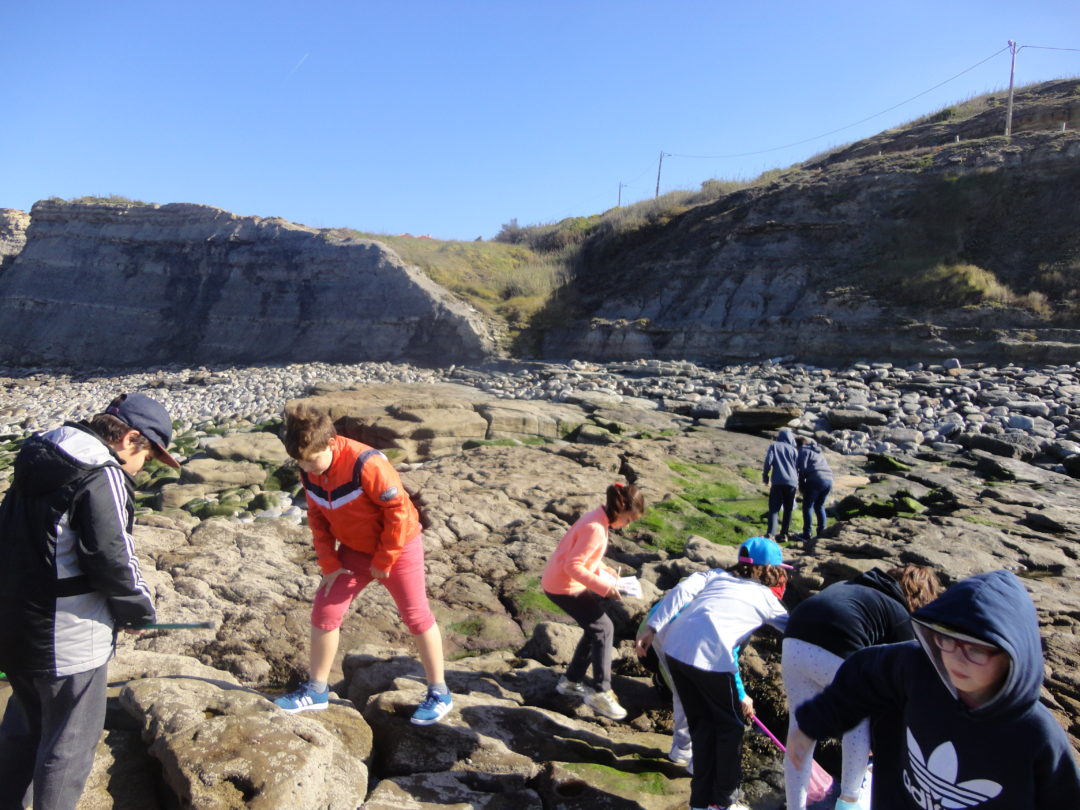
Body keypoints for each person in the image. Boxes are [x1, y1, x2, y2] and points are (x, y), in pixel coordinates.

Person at [0, 393, 178, 810]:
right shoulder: (102, 473)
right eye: (148, 456)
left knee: (24, 729)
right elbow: (112, 557)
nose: (143, 467)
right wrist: (138, 610)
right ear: (130, 439)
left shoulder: (44, 448)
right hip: (67, 635)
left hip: (14, 621)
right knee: (69, 745)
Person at [788, 569, 1080, 809]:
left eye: (976, 650)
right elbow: (864, 672)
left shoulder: (1035, 733)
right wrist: (814, 723)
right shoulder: (920, 668)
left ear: (1012, 655)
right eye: (947, 640)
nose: (956, 658)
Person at [272, 403, 451, 725]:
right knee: (325, 611)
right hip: (353, 552)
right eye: (299, 462)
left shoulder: (366, 464)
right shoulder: (307, 466)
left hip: (399, 547)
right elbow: (316, 517)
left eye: (312, 460)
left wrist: (385, 559)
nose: (307, 468)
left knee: (416, 615)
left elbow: (397, 512)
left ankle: (439, 692)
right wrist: (329, 563)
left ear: (331, 443)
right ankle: (316, 691)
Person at [637, 536, 791, 810]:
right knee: (730, 729)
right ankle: (722, 802)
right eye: (778, 569)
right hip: (707, 659)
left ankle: (700, 802)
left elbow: (680, 593)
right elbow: (796, 628)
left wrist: (651, 628)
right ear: (766, 569)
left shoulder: (714, 576)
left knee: (702, 725)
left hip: (675, 651)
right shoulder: (765, 598)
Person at [782, 564, 942, 810]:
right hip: (837, 643)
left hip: (793, 640)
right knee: (859, 718)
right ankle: (849, 801)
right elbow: (904, 679)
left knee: (799, 729)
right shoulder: (899, 613)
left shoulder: (852, 586)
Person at [542, 482, 645, 721]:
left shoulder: (597, 517)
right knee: (603, 627)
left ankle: (570, 681)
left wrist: (603, 569)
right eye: (628, 520)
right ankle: (602, 691)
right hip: (563, 586)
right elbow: (573, 565)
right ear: (620, 509)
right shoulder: (596, 528)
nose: (627, 526)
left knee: (594, 628)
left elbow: (579, 554)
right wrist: (605, 588)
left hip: (559, 581)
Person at [762, 428, 798, 541]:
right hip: (792, 482)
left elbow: (768, 461)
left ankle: (771, 534)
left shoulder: (774, 446)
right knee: (788, 509)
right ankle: (784, 534)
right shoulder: (794, 450)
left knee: (774, 508)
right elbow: (798, 468)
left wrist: (765, 476)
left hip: (778, 481)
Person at [795, 436, 833, 541]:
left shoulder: (802, 451)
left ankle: (807, 534)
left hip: (816, 479)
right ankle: (822, 532)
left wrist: (801, 485)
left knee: (807, 507)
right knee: (819, 506)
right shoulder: (817, 451)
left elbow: (802, 469)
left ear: (797, 445)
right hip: (829, 479)